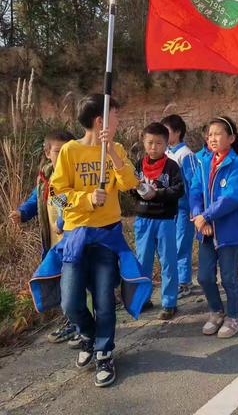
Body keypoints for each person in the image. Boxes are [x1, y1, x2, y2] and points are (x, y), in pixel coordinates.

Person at [46, 94, 150, 388]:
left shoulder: (115, 148)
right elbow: (58, 193)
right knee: (70, 302)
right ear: (100, 120)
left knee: (105, 300)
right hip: (76, 237)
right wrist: (87, 197)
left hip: (107, 236)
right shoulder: (70, 151)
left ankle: (104, 351)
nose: (119, 122)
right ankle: (88, 335)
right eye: (116, 116)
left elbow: (132, 184)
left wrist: (113, 154)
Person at [10, 130, 76, 344]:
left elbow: (72, 207)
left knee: (76, 284)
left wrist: (63, 222)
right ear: (48, 153)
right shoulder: (46, 178)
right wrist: (22, 212)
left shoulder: (76, 177)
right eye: (58, 151)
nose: (63, 155)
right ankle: (71, 322)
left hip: (74, 242)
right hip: (53, 244)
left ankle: (80, 324)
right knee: (61, 283)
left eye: (68, 150)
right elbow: (34, 199)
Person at [190, 116, 238, 338]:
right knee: (204, 276)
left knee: (229, 278)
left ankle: (234, 316)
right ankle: (216, 311)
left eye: (218, 134)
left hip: (229, 232)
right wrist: (198, 215)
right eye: (210, 134)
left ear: (231, 138)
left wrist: (205, 216)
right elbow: (195, 190)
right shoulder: (204, 162)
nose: (212, 138)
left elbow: (232, 197)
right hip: (205, 231)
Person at [132, 122, 184, 319]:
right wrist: (138, 191)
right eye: (150, 143)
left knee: (168, 261)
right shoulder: (138, 165)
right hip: (143, 218)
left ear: (166, 144)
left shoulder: (171, 167)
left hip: (165, 219)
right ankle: (143, 299)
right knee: (142, 261)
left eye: (159, 143)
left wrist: (157, 193)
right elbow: (130, 186)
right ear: (144, 142)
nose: (154, 147)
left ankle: (169, 302)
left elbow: (179, 190)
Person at [161, 114, 198, 298]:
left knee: (181, 244)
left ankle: (184, 282)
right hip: (168, 210)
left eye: (167, 131)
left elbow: (193, 184)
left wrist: (195, 209)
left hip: (184, 209)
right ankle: (174, 280)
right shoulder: (165, 154)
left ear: (177, 132)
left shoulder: (186, 155)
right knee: (169, 246)